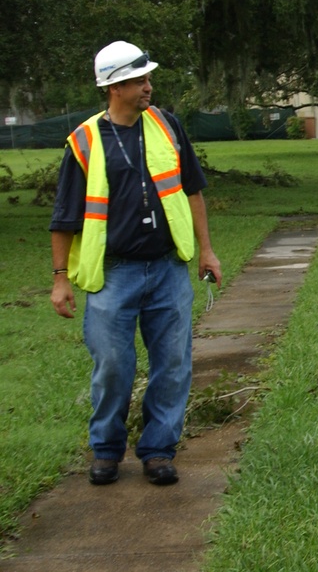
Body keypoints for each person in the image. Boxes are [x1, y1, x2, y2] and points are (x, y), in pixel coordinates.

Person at [49, 40, 223, 485]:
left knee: (173, 364)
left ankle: (159, 451)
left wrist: (206, 250)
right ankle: (106, 450)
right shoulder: (85, 141)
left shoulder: (167, 125)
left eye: (147, 79)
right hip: (114, 275)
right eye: (139, 80)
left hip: (168, 269)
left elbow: (192, 190)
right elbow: (64, 217)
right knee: (112, 365)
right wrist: (59, 280)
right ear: (115, 87)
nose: (149, 87)